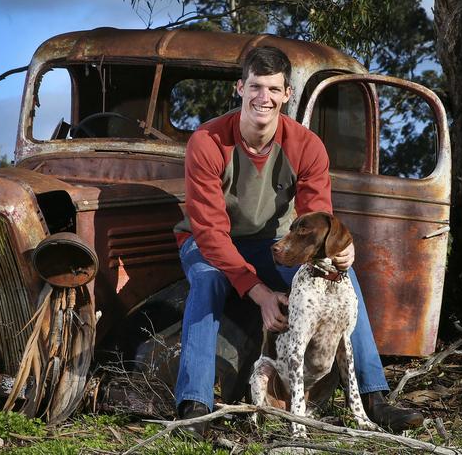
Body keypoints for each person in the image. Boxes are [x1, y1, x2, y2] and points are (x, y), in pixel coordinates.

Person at [172, 46, 423, 435]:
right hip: (208, 242)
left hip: (272, 241)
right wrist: (259, 292)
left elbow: (317, 221)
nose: (263, 98)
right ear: (240, 88)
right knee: (207, 281)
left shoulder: (306, 145)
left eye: (273, 89)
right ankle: (194, 406)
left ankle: (375, 399)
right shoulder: (207, 141)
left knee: (342, 280)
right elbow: (209, 231)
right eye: (255, 86)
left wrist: (340, 252)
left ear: (287, 93)